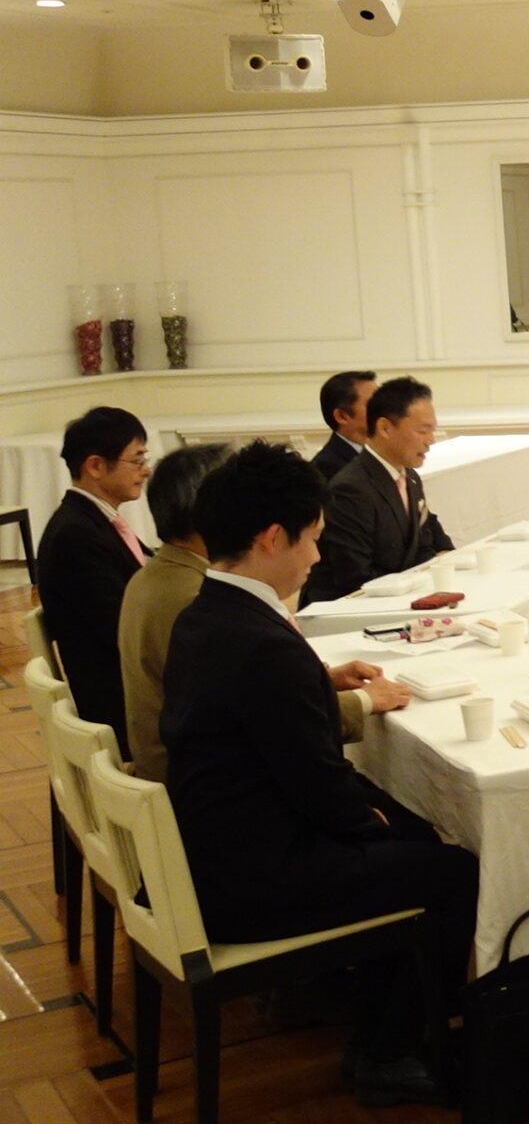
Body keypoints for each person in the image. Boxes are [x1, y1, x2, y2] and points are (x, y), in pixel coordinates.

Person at [160, 443, 467, 1107]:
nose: (318, 557)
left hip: (214, 849)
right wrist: (372, 822)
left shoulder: (203, 613)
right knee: (451, 869)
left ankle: (381, 1022)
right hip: (254, 879)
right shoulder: (263, 643)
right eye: (313, 539)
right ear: (273, 538)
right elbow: (318, 786)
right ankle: (390, 1052)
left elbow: (278, 739)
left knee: (411, 833)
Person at [119, 443, 403, 783]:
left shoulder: (157, 572)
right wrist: (363, 700)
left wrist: (321, 682)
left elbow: (236, 689)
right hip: (197, 782)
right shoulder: (199, 597)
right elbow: (280, 723)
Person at [35, 407, 152, 747]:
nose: (146, 470)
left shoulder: (94, 521)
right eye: (137, 460)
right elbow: (123, 631)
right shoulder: (75, 536)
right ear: (96, 466)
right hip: (123, 705)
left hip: (130, 686)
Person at [306, 376, 455, 602]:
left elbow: (423, 543)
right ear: (385, 428)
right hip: (349, 606)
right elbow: (355, 577)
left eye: (432, 430)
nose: (431, 440)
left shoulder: (409, 476)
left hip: (401, 595)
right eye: (422, 431)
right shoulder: (350, 488)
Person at [309, 370, 377, 483]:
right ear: (342, 416)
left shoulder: (382, 452)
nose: (384, 409)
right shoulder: (326, 468)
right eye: (373, 404)